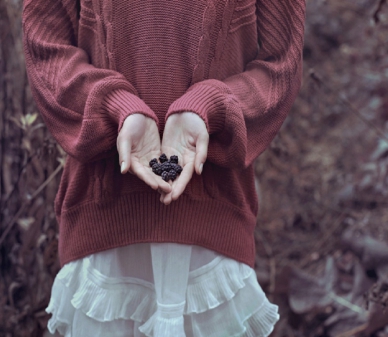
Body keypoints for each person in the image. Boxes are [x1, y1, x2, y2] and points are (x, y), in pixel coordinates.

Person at [22, 0, 306, 336]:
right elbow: (46, 50)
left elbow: (281, 67)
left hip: (212, 222)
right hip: (104, 217)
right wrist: (116, 106)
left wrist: (210, 106)